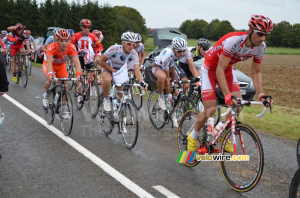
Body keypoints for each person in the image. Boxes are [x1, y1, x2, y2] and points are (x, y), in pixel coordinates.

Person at [187, 14, 274, 153]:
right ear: (250, 30)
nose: (263, 38)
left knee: (237, 104)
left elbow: (256, 73)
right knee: (211, 109)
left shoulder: (260, 47)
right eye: (260, 34)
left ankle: (222, 133)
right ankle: (193, 137)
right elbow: (218, 69)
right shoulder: (233, 40)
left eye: (266, 35)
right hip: (210, 69)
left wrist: (261, 94)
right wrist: (227, 95)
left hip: (227, 69)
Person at [99, 31, 147, 111]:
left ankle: (120, 120)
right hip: (108, 68)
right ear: (123, 42)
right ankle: (106, 99)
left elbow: (137, 69)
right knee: (107, 80)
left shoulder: (134, 54)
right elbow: (101, 61)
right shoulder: (114, 49)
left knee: (120, 101)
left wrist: (142, 82)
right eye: (129, 44)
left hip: (119, 72)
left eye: (133, 44)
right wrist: (112, 70)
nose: (131, 46)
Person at [42, 29, 82, 114]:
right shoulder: (51, 47)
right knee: (50, 80)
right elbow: (49, 61)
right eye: (61, 41)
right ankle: (46, 95)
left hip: (61, 66)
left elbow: (76, 61)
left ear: (69, 40)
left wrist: (78, 74)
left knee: (65, 84)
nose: (64, 43)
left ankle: (64, 106)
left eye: (66, 41)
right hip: (50, 65)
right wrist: (50, 74)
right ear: (57, 40)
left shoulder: (71, 47)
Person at [152, 37, 189, 127]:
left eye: (183, 51)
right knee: (163, 77)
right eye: (179, 51)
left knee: (176, 91)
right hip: (158, 66)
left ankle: (173, 115)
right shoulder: (168, 54)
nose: (182, 53)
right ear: (173, 49)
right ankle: (161, 96)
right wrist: (168, 92)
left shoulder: (180, 52)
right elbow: (167, 76)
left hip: (171, 66)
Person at [71, 19, 104, 101]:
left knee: (95, 73)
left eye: (88, 27)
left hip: (89, 58)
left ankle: (88, 87)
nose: (87, 29)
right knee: (80, 75)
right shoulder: (76, 35)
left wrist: (96, 52)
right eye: (85, 27)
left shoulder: (92, 36)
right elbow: (70, 46)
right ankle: (79, 94)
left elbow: (100, 47)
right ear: (81, 27)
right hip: (80, 58)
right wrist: (77, 52)